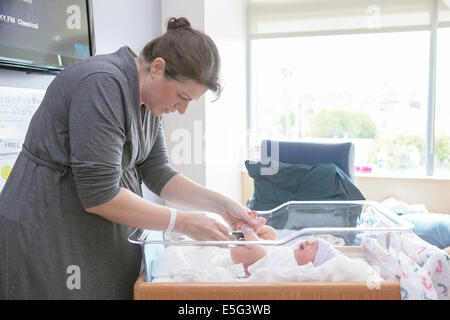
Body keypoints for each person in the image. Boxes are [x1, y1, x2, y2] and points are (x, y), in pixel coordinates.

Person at [0, 17, 257, 299]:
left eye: (189, 102)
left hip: (89, 232)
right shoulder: (102, 83)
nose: (182, 110)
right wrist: (182, 222)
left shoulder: (148, 100)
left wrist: (222, 205)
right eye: (182, 97)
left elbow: (158, 172)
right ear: (157, 68)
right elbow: (99, 194)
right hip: (48, 226)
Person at [230, 219, 339, 275]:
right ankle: (252, 230)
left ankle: (246, 229)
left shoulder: (299, 269)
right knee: (272, 233)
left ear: (313, 263)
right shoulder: (293, 251)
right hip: (264, 249)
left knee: (258, 251)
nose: (308, 242)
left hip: (255, 261)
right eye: (311, 241)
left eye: (313, 247)